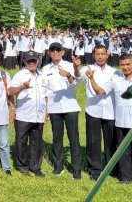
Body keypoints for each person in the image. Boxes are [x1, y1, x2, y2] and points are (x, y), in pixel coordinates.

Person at [88, 54, 132, 192]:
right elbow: (100, 91)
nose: (125, 67)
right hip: (121, 122)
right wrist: (91, 79)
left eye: (128, 64)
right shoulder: (116, 79)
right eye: (122, 65)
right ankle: (126, 178)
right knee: (124, 152)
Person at [75, 44, 116, 181]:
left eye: (102, 54)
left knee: (111, 141)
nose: (100, 56)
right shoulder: (88, 69)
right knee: (93, 141)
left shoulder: (114, 71)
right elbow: (77, 78)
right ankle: (95, 170)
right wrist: (75, 67)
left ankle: (112, 168)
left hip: (111, 110)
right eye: (97, 54)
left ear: (107, 54)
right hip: (93, 109)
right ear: (93, 55)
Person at [42, 42, 82, 179]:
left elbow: (76, 83)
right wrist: (46, 110)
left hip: (70, 106)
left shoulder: (70, 65)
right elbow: (45, 91)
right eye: (52, 51)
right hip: (54, 108)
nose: (55, 53)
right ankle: (58, 167)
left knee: (73, 138)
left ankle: (77, 169)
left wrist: (69, 75)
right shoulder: (45, 69)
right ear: (49, 53)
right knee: (57, 138)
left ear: (63, 52)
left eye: (58, 50)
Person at [9, 51, 48, 176]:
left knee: (37, 143)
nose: (32, 63)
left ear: (38, 61)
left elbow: (46, 96)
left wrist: (46, 113)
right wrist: (21, 87)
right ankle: (22, 166)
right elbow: (10, 91)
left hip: (38, 115)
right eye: (29, 61)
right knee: (21, 142)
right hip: (24, 115)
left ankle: (35, 167)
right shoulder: (19, 75)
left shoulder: (43, 76)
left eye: (34, 60)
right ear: (24, 62)